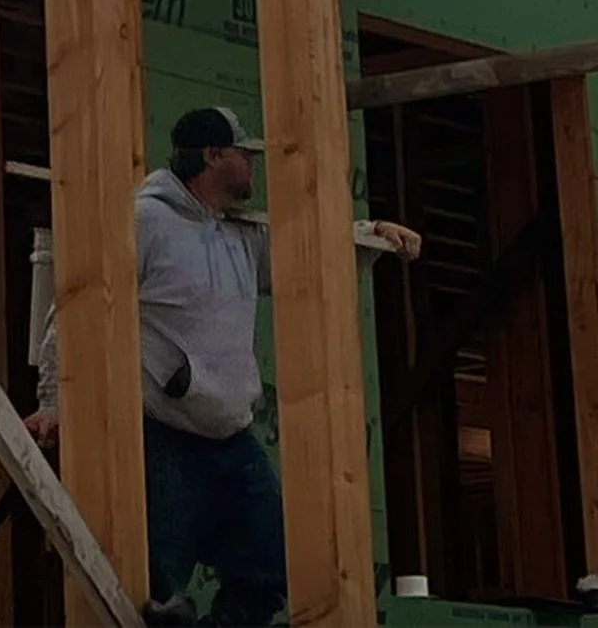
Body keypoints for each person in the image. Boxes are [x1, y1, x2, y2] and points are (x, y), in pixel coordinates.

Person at [30, 105, 420, 627]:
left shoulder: (239, 233)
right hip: (163, 434)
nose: (253, 167)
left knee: (269, 563)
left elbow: (309, 259)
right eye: (244, 155)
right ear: (212, 156)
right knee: (155, 582)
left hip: (229, 437)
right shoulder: (144, 221)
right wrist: (54, 401)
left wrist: (371, 233)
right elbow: (73, 312)